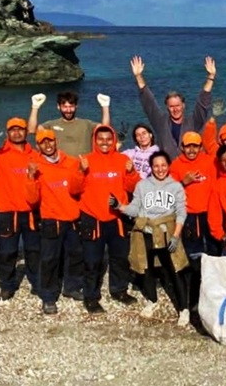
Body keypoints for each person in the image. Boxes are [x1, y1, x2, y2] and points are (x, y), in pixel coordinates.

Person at [111, 151, 190, 326]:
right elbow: (134, 209)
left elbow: (181, 213)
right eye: (156, 166)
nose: (160, 169)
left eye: (163, 165)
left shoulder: (176, 187)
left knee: (174, 270)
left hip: (167, 232)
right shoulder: (142, 185)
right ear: (151, 167)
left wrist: (176, 236)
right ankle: (152, 300)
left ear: (168, 166)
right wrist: (118, 206)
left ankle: (183, 308)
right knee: (145, 268)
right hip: (145, 231)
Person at [0, 118, 41, 302]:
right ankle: (7, 286)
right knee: (7, 253)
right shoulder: (0, 154)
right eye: (12, 130)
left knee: (34, 250)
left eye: (20, 129)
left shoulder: (35, 155)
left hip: (31, 213)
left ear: (26, 132)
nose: (17, 133)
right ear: (7, 133)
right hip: (7, 213)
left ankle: (36, 282)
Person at [78, 125, 141, 313]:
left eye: (108, 139)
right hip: (93, 217)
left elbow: (133, 188)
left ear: (114, 140)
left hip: (117, 218)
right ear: (94, 140)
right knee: (92, 261)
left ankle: (119, 290)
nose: (105, 142)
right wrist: (81, 171)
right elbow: (74, 189)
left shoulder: (123, 160)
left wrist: (130, 173)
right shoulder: (86, 160)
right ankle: (90, 297)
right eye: (101, 139)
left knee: (120, 258)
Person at [25, 128, 86, 315]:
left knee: (75, 254)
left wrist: (81, 171)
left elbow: (76, 190)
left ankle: (72, 287)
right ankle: (49, 297)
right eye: (43, 142)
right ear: (38, 146)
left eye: (50, 141)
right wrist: (30, 177)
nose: (47, 145)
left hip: (72, 218)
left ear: (56, 141)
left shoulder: (72, 162)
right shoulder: (35, 165)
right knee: (49, 259)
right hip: (51, 220)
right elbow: (32, 199)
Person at [130, 55, 216, 159]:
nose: (175, 109)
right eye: (171, 106)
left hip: (189, 170)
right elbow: (149, 103)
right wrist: (138, 76)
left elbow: (202, 104)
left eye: (178, 105)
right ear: (167, 107)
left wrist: (211, 77)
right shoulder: (160, 122)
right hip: (166, 172)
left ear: (183, 105)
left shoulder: (193, 122)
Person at [169, 131, 219, 311]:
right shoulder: (176, 165)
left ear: (200, 147)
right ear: (182, 147)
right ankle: (194, 298)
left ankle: (213, 293)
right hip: (190, 217)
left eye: (195, 146)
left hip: (211, 213)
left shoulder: (210, 161)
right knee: (193, 257)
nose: (191, 150)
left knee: (214, 254)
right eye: (188, 146)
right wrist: (184, 182)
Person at [27, 91, 112, 157]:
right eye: (65, 107)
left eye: (71, 106)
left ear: (76, 106)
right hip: (62, 169)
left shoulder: (87, 124)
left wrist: (105, 106)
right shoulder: (51, 125)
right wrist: (35, 107)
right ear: (58, 107)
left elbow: (105, 129)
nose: (68, 110)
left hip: (84, 168)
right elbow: (31, 129)